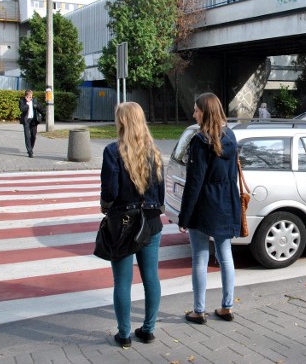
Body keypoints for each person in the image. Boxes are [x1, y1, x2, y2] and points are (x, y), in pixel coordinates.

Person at [100, 102, 165, 349]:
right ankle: (148, 330)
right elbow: (159, 196)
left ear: (123, 122)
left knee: (122, 282)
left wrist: (105, 205)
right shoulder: (154, 152)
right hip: (150, 222)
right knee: (151, 278)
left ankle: (124, 335)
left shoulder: (112, 151)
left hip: (122, 224)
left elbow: (111, 191)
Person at [178, 92, 241, 324]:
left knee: (200, 258)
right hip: (225, 202)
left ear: (205, 111)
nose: (193, 113)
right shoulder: (231, 136)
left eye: (196, 110)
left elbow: (195, 183)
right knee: (226, 256)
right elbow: (232, 176)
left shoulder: (200, 140)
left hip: (204, 205)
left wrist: (184, 216)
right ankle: (227, 307)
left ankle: (199, 310)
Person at [18, 89, 45, 157]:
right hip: (26, 120)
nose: (31, 97)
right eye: (29, 96)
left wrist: (37, 106)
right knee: (27, 136)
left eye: (31, 96)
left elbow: (42, 109)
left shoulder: (34, 100)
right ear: (26, 96)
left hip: (33, 120)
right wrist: (27, 103)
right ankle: (29, 151)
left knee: (33, 135)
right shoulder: (22, 101)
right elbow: (22, 109)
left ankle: (31, 148)